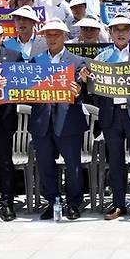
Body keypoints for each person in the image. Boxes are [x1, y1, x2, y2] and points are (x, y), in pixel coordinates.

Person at [81, 15, 130, 221]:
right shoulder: (103, 56)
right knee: (115, 161)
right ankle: (117, 204)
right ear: (110, 32)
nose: (121, 33)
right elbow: (93, 89)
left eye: (125, 29)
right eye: (117, 29)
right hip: (111, 114)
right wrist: (86, 80)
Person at [28, 19, 87, 221]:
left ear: (64, 37)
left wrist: (78, 90)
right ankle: (53, 201)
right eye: (49, 34)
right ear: (44, 37)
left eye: (56, 34)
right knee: (45, 165)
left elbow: (83, 90)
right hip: (41, 121)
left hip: (68, 121)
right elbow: (26, 90)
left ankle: (73, 203)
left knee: (73, 165)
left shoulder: (78, 62)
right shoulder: (35, 62)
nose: (52, 38)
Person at [0, 19, 22, 221]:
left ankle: (6, 203)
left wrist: (7, 83)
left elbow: (22, 85)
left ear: (2, 37)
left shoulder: (13, 55)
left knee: (4, 162)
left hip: (3, 117)